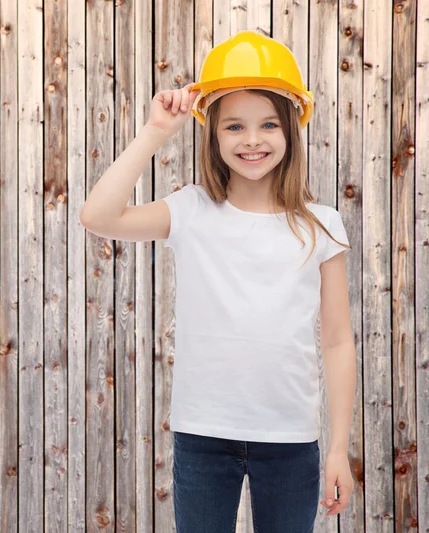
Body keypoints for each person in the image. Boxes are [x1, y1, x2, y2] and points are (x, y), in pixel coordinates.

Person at [80, 30, 356, 533]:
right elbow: (98, 215)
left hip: (291, 439)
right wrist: (155, 131)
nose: (252, 140)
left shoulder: (321, 224)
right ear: (213, 134)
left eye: (268, 124)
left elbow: (337, 341)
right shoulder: (191, 210)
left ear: (292, 129)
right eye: (234, 126)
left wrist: (338, 448)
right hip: (203, 437)